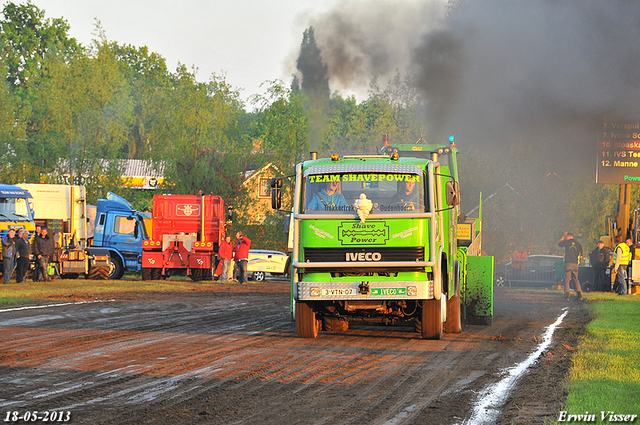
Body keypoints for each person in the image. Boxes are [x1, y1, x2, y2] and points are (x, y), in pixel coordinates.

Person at [558, 232, 583, 301]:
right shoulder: (578, 244)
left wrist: (563, 236)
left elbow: (559, 244)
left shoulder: (566, 242)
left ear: (569, 236)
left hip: (568, 264)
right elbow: (581, 254)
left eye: (566, 237)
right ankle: (579, 295)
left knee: (566, 280)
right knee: (575, 279)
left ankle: (567, 296)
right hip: (575, 264)